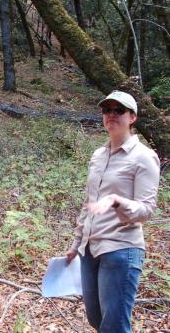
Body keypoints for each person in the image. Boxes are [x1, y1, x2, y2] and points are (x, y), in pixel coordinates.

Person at [65, 90, 160, 333]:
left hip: (121, 250)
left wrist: (118, 201)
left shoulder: (144, 157)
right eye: (107, 110)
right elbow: (89, 202)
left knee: (114, 327)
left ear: (132, 117)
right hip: (90, 250)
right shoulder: (98, 155)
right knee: (96, 320)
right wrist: (76, 244)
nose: (111, 115)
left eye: (119, 110)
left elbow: (147, 210)